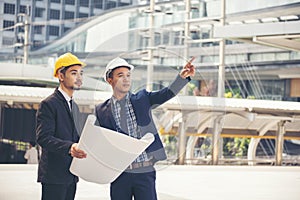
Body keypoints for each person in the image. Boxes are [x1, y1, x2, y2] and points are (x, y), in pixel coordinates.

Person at [95, 56, 195, 200]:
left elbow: (165, 93)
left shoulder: (142, 98)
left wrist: (182, 78)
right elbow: (100, 140)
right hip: (119, 175)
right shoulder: (101, 110)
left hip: (144, 171)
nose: (126, 79)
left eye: (128, 75)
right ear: (109, 80)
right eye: (120, 75)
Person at [36, 52, 87, 200]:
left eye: (80, 73)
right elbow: (44, 138)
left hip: (71, 175)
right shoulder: (48, 104)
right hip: (54, 176)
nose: (79, 77)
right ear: (61, 75)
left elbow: (75, 137)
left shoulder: (74, 106)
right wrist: (70, 148)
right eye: (73, 73)